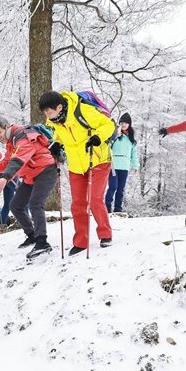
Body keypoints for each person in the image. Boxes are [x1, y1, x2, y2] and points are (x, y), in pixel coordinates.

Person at [39, 91, 115, 256]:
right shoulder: (55, 121)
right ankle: (81, 241)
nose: (47, 115)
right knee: (78, 204)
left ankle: (105, 234)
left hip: (98, 160)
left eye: (48, 111)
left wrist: (97, 137)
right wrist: (57, 143)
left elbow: (109, 125)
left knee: (95, 199)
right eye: (45, 112)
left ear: (59, 107)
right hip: (76, 165)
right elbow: (60, 134)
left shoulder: (82, 111)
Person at [0, 117, 57, 260]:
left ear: (7, 127)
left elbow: (18, 159)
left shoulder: (22, 136)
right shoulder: (11, 142)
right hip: (31, 175)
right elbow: (8, 160)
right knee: (16, 205)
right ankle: (31, 235)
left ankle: (42, 242)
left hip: (45, 170)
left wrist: (5, 177)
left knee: (35, 204)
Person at [105, 112, 139, 213]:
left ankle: (118, 209)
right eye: (122, 122)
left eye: (126, 123)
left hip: (124, 167)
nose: (123, 125)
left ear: (129, 125)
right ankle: (107, 208)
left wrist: (135, 166)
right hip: (114, 166)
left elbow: (134, 155)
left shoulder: (131, 140)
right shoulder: (114, 136)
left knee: (121, 189)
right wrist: (115, 135)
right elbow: (107, 146)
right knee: (113, 186)